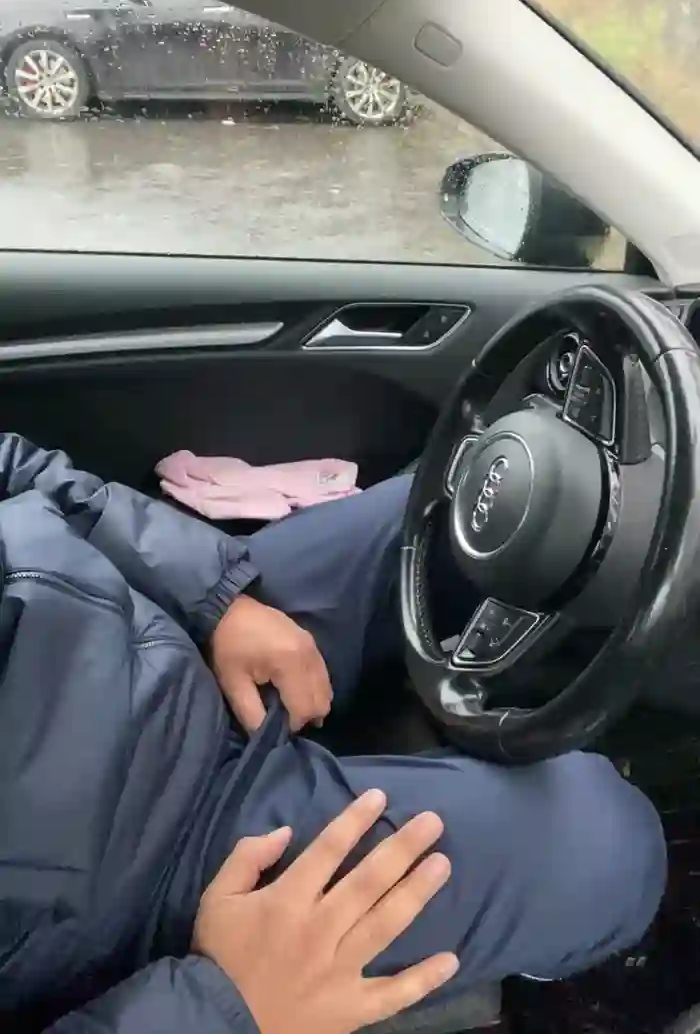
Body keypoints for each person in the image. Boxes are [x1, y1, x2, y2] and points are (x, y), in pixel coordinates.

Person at [0, 433, 666, 1034]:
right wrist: (222, 1008)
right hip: (135, 881)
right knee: (610, 846)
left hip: (149, 627)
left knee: (498, 494)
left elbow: (13, 466)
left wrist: (210, 592)